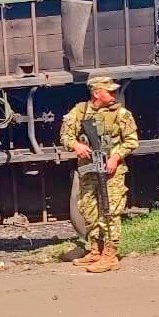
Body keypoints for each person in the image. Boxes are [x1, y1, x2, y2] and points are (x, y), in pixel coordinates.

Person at [60, 76, 139, 273]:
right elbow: (65, 136)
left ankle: (110, 255)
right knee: (89, 209)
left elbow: (131, 141)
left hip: (111, 172)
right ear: (96, 93)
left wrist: (115, 157)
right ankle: (95, 250)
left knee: (110, 210)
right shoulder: (79, 112)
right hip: (88, 170)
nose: (114, 95)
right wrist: (75, 145)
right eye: (109, 91)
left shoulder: (121, 114)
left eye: (114, 91)